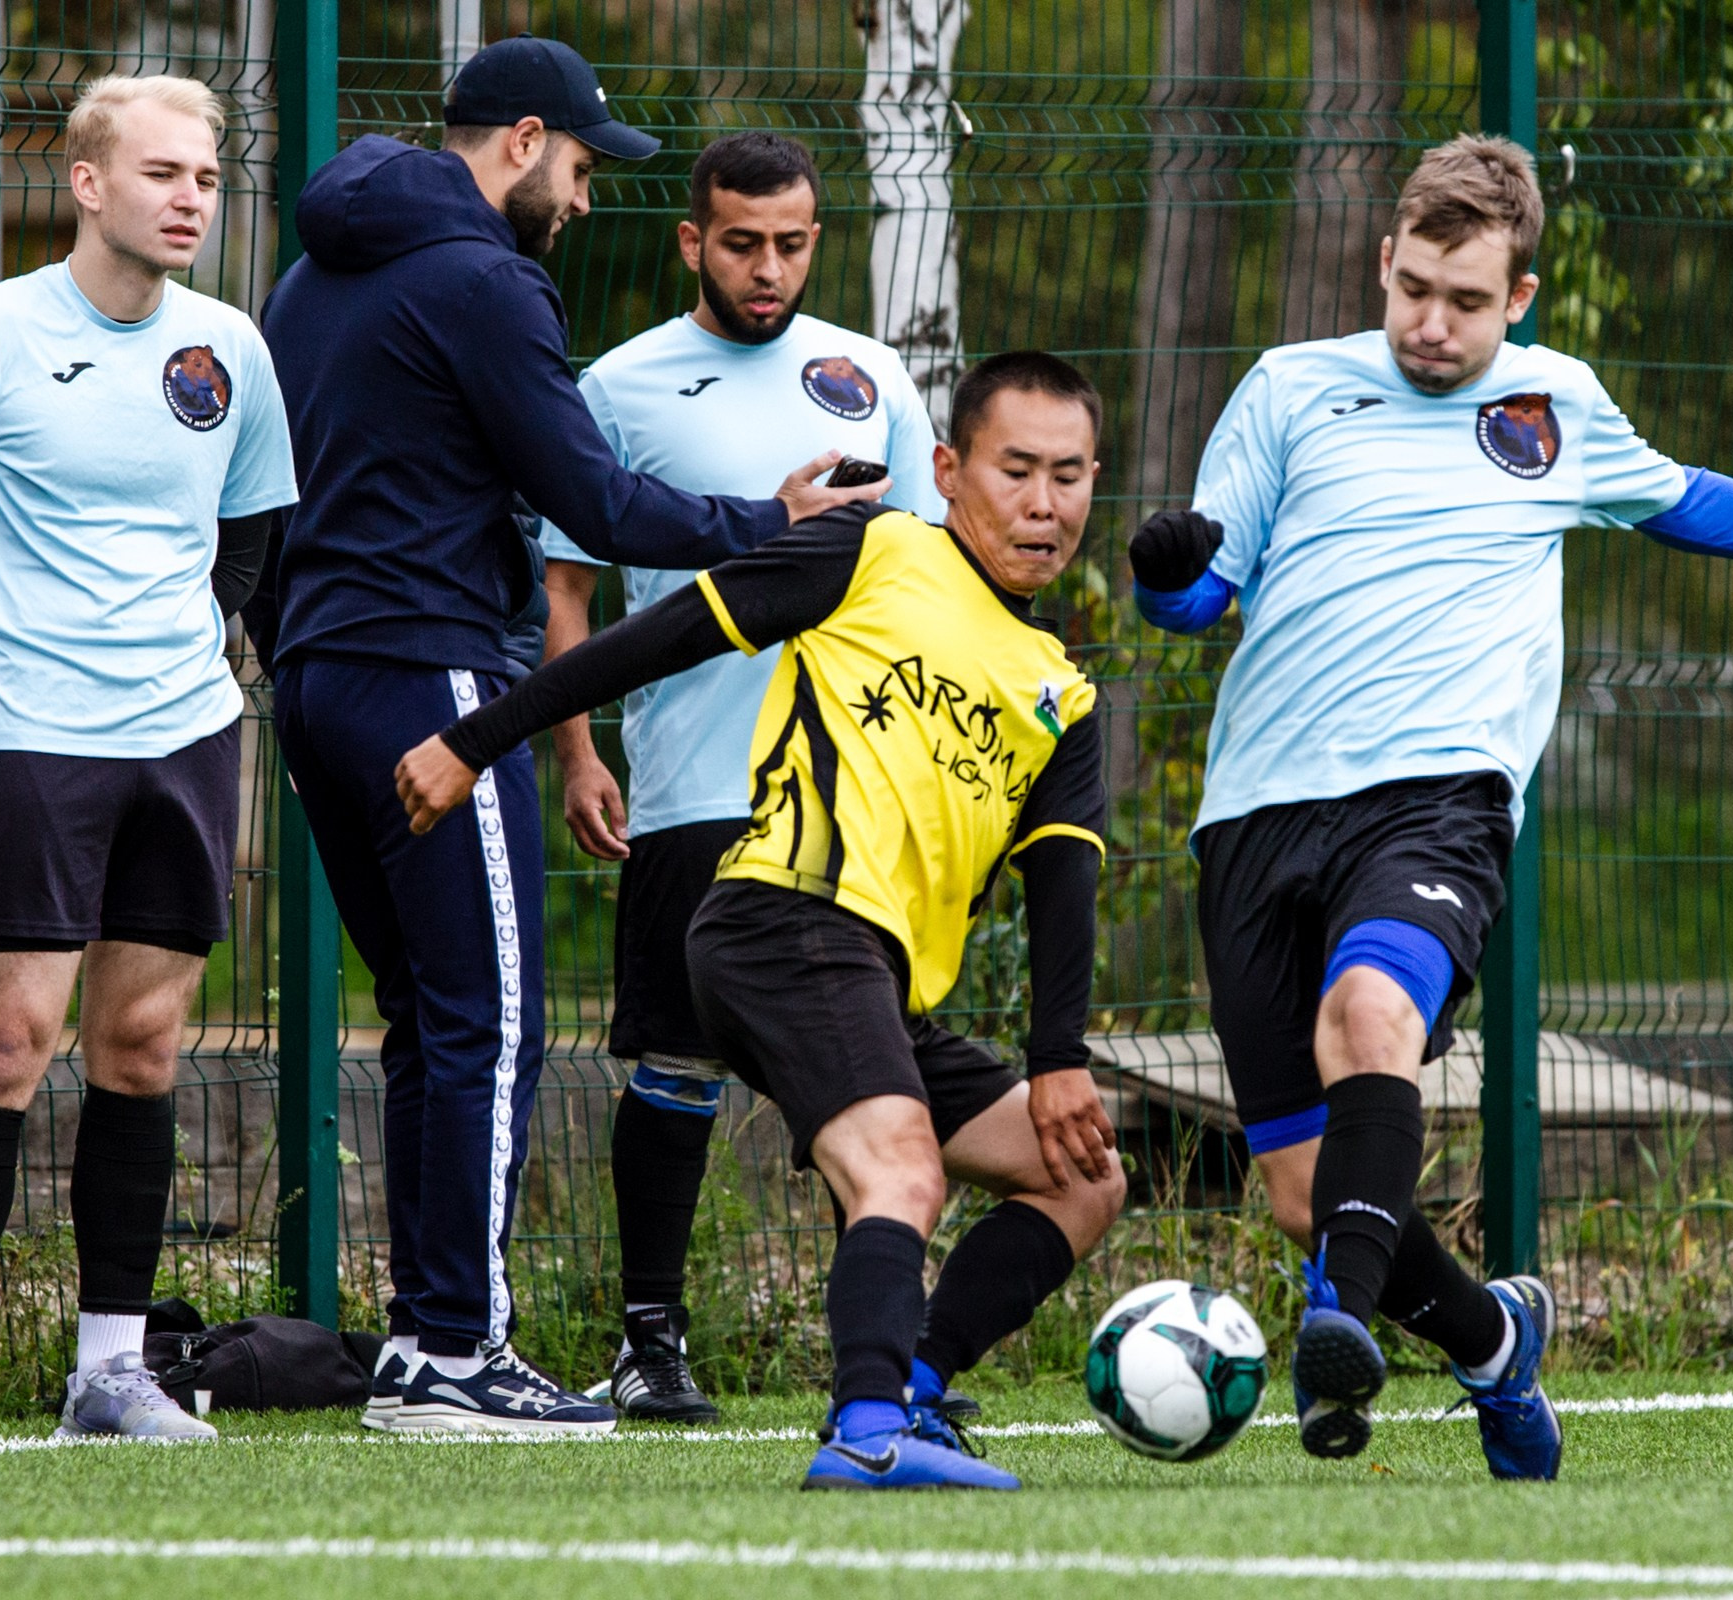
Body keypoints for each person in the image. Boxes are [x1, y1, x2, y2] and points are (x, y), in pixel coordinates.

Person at [1131, 134, 1733, 1479]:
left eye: (1467, 301)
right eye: (1414, 287)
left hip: (1437, 798)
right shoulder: (1292, 388)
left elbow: (1685, 499)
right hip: (1257, 816)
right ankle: (1489, 1343)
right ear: (1383, 261)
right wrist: (1165, 572)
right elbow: (1197, 599)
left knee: (1374, 1019)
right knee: (1305, 1189)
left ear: (1520, 296)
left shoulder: (1552, 406)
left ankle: (1333, 1324)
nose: (1432, 321)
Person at [259, 35, 886, 1437]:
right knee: (488, 1017)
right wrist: (765, 527)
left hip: (317, 675)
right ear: (526, 140)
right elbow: (598, 505)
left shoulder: (311, 275)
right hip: (433, 680)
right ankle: (457, 1351)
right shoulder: (486, 278)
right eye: (588, 167)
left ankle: (431, 1342)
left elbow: (266, 494)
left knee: (427, 1017)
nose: (588, 200)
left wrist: (286, 639)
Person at [394, 352, 1127, 1491]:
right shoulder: (875, 549)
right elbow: (659, 636)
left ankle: (914, 1390)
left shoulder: (1060, 690)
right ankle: (869, 1433)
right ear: (948, 470)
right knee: (902, 1171)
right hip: (784, 918)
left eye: (1069, 476)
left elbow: (1065, 879)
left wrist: (1059, 1060)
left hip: (872, 977)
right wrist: (474, 739)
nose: (1043, 504)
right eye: (1016, 470)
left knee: (1081, 1176)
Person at [538, 129, 944, 1423]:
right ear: (691, 242)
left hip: (855, 791)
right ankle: (648, 1344)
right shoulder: (621, 385)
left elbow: (931, 579)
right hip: (693, 781)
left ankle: (885, 1361)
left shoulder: (870, 373)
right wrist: (577, 746)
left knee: (866, 1067)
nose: (767, 270)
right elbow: (567, 583)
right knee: (675, 1058)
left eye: (791, 245)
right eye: (741, 244)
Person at [0, 74, 298, 1442]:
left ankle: (111, 1372)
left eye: (204, 177)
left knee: (142, 1048)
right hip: (34, 733)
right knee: (8, 1045)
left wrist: (210, 644)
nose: (191, 198)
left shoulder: (229, 348)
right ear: (88, 185)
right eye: (162, 175)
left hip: (187, 734)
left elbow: (257, 531)